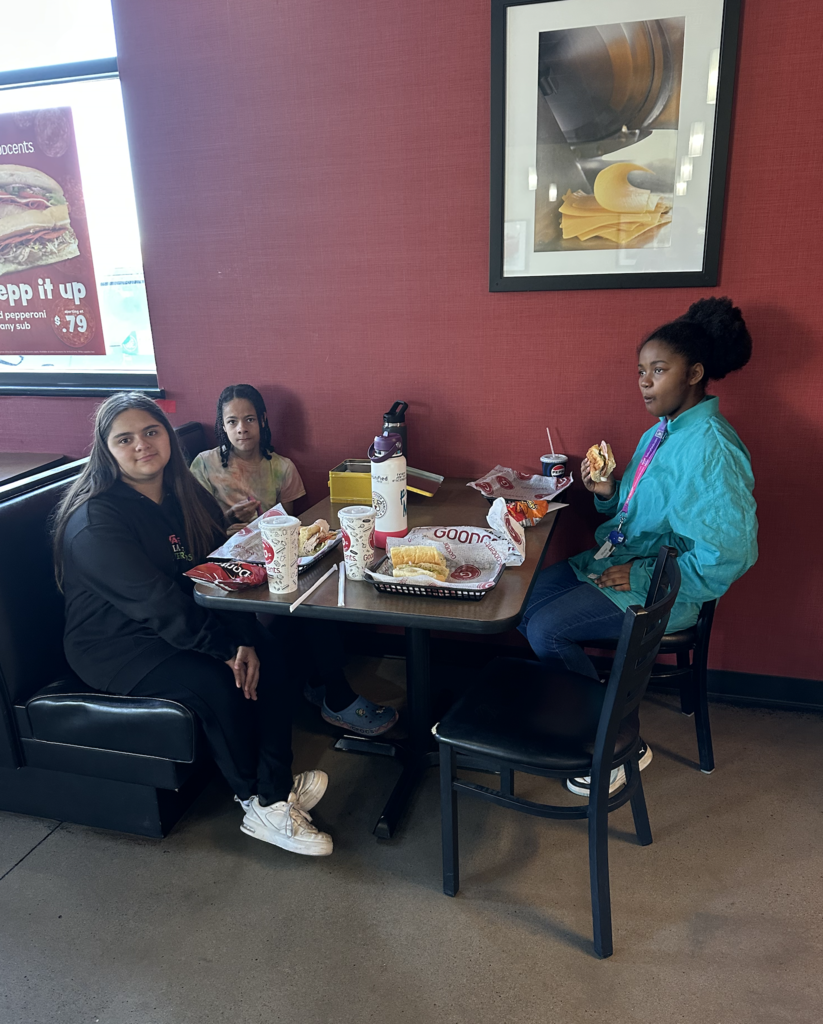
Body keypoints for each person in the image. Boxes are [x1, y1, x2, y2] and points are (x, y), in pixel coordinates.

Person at [52, 392, 333, 857]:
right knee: (217, 680)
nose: (142, 444)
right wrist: (225, 649)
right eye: (125, 439)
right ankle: (258, 805)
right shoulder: (95, 520)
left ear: (166, 436)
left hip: (180, 622)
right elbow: (154, 601)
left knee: (272, 651)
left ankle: (275, 788)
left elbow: (212, 569)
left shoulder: (183, 494)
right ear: (106, 451)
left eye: (151, 431)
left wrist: (243, 637)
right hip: (116, 645)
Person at [519, 297, 757, 795]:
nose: (645, 381)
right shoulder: (660, 432)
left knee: (546, 630)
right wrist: (606, 493)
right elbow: (631, 516)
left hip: (667, 591)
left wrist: (647, 577)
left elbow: (731, 553)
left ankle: (615, 743)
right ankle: (586, 708)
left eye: (659, 369)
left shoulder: (711, 446)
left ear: (694, 373)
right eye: (642, 371)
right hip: (619, 563)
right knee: (522, 604)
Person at [191, 383, 399, 737]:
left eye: (250, 419)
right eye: (232, 421)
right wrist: (226, 524)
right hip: (225, 571)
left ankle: (323, 684)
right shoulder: (204, 465)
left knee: (326, 587)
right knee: (309, 603)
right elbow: (194, 525)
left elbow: (295, 529)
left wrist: (264, 524)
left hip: (273, 564)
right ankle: (336, 695)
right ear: (222, 426)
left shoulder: (282, 468)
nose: (242, 428)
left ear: (263, 421)